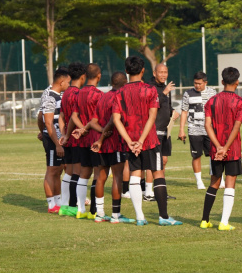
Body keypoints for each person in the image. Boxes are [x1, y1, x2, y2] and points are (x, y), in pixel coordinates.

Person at [112, 55, 181, 226]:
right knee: (158, 173)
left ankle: (140, 217)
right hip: (149, 140)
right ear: (143, 71)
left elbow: (116, 119)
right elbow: (152, 116)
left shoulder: (119, 92)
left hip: (131, 141)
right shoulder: (150, 90)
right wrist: (142, 140)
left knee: (135, 176)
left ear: (126, 71)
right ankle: (163, 217)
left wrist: (130, 141)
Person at [201, 67, 242, 231]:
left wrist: (218, 146)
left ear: (222, 82)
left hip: (215, 149)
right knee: (230, 183)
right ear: (237, 82)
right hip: (232, 149)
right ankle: (224, 222)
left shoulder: (211, 101)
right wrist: (226, 147)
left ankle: (204, 220)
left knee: (214, 182)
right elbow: (236, 127)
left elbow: (207, 126)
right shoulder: (241, 102)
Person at [88, 71, 136, 223]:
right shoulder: (120, 97)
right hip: (115, 143)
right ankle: (116, 215)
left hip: (99, 144)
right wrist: (105, 134)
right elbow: (113, 120)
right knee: (117, 177)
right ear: (125, 83)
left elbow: (93, 121)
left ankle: (100, 214)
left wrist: (101, 133)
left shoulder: (103, 97)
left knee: (100, 178)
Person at [69, 63, 104, 219]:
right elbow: (99, 119)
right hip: (95, 139)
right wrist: (88, 128)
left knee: (84, 174)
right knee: (97, 174)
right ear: (99, 76)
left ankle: (80, 209)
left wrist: (82, 129)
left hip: (82, 140)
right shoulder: (99, 95)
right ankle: (94, 211)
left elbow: (73, 116)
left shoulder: (80, 93)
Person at [145, 63, 178, 202]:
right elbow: (152, 105)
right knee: (153, 162)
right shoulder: (150, 87)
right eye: (161, 72)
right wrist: (164, 93)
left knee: (163, 160)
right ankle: (148, 193)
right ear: (154, 73)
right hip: (154, 130)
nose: (164, 74)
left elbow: (165, 106)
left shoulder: (164, 88)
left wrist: (172, 112)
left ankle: (161, 190)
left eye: (166, 72)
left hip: (165, 130)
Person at [178, 71, 216, 190]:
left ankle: (217, 178)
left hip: (209, 129)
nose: (197, 86)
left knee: (214, 155)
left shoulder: (213, 92)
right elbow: (184, 111)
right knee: (196, 156)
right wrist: (181, 130)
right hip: (194, 129)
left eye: (199, 83)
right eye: (195, 83)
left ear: (205, 82)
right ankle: (199, 182)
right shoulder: (188, 93)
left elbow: (216, 110)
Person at [57, 62, 86, 217]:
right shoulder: (77, 94)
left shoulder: (66, 93)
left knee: (68, 172)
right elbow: (74, 118)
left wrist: (63, 134)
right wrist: (72, 133)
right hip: (76, 139)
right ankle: (74, 206)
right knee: (78, 172)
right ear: (83, 76)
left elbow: (62, 117)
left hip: (68, 138)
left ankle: (64, 205)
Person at [38, 68, 69, 213]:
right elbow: (48, 122)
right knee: (51, 170)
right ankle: (51, 205)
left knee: (58, 170)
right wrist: (57, 144)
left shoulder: (58, 94)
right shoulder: (50, 96)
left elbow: (41, 117)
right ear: (61, 81)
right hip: (52, 140)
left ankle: (58, 201)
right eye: (68, 82)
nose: (69, 84)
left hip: (58, 139)